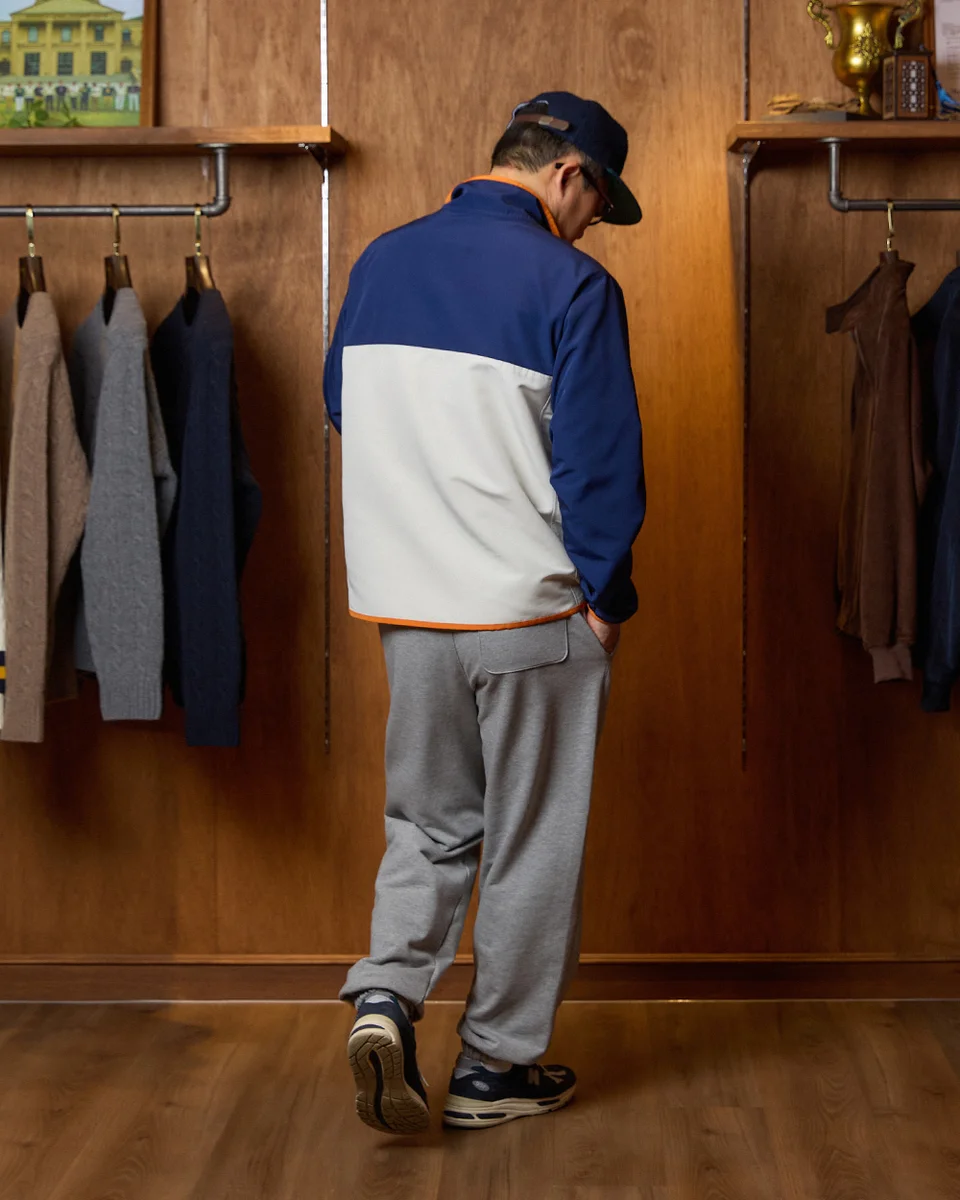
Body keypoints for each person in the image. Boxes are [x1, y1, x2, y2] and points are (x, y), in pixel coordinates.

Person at [323, 91, 646, 1136]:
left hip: (411, 613)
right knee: (531, 841)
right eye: (597, 203)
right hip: (531, 614)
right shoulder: (573, 282)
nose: (590, 225)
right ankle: (495, 1069)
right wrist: (607, 601)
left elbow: (346, 405)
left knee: (426, 823)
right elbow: (599, 468)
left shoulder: (380, 262)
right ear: (568, 174)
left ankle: (385, 995)